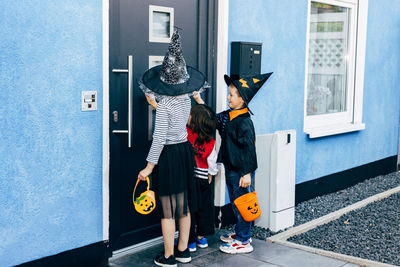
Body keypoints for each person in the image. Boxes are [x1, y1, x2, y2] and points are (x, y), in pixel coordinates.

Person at [137, 29, 210, 267]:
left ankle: (168, 257)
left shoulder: (165, 104)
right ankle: (182, 251)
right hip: (184, 153)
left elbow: (159, 137)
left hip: (168, 156)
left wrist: (148, 167)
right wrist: (157, 107)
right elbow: (175, 121)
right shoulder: (185, 100)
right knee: (184, 206)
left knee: (168, 209)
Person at [211, 72, 272, 254]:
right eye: (228, 94)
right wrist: (199, 102)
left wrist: (246, 174)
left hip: (241, 172)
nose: (228, 98)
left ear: (242, 100)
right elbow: (213, 119)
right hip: (232, 168)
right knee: (237, 203)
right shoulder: (229, 116)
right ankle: (240, 234)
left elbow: (249, 150)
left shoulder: (244, 122)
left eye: (231, 95)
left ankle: (244, 241)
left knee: (244, 202)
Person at [186, 104, 218, 252]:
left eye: (190, 115)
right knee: (205, 208)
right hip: (204, 179)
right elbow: (212, 160)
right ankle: (201, 238)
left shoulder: (187, 133)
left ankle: (190, 241)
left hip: (190, 179)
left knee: (190, 209)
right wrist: (211, 173)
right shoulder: (210, 141)